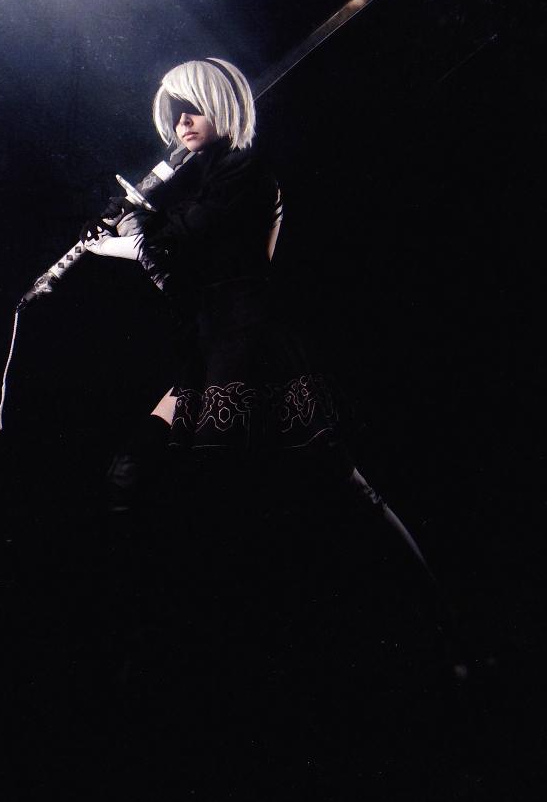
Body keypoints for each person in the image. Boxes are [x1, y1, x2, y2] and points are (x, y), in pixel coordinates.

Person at [78, 57, 456, 649]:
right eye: (175, 112)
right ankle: (149, 635)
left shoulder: (246, 172)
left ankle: (441, 627)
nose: (182, 121)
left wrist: (137, 227)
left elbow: (179, 242)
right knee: (133, 475)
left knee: (337, 487)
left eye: (194, 108)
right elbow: (178, 258)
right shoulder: (209, 182)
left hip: (251, 348)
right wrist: (106, 245)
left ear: (222, 106)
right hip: (211, 351)